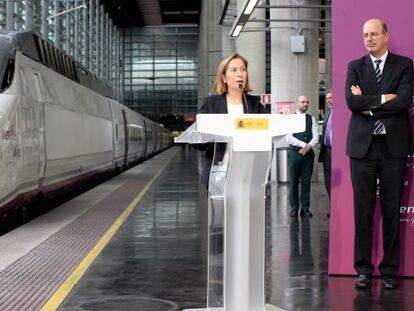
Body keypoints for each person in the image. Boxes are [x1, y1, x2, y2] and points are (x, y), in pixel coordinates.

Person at [345, 18, 413, 290]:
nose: (369, 39)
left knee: (390, 210)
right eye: (364, 35)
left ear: (386, 35)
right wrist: (386, 98)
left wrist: (369, 104)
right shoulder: (355, 66)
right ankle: (362, 269)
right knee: (362, 212)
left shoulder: (404, 64)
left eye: (374, 34)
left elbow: (405, 101)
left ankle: (389, 270)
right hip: (362, 147)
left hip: (393, 147)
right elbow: (352, 102)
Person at [198, 52, 267, 186]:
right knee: (221, 207)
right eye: (234, 70)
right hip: (218, 172)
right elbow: (198, 140)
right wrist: (214, 137)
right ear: (224, 77)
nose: (240, 74)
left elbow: (269, 127)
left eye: (243, 69)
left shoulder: (254, 103)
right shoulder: (211, 103)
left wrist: (282, 116)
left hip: (248, 173)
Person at [286, 95, 319, 218]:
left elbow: (316, 136)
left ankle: (305, 208)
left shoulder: (312, 119)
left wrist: (307, 148)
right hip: (295, 154)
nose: (305, 104)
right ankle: (294, 207)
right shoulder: (291, 118)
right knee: (294, 181)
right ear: (297, 103)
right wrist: (304, 145)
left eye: (307, 102)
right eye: (303, 102)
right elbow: (288, 137)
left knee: (306, 182)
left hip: (308, 155)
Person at [318, 92, 333, 217]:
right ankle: (331, 207)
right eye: (327, 98)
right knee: (328, 181)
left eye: (331, 98)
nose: (329, 100)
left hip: (338, 152)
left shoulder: (341, 113)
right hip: (327, 151)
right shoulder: (327, 113)